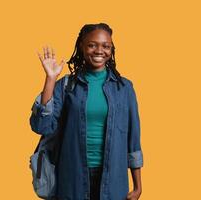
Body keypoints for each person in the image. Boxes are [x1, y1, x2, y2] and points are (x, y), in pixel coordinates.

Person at [29, 23, 143, 200]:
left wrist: (138, 186)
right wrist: (50, 79)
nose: (99, 51)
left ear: (111, 49)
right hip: (72, 176)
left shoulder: (124, 88)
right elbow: (42, 126)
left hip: (114, 177)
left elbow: (133, 140)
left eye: (106, 46)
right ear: (82, 46)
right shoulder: (66, 86)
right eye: (92, 45)